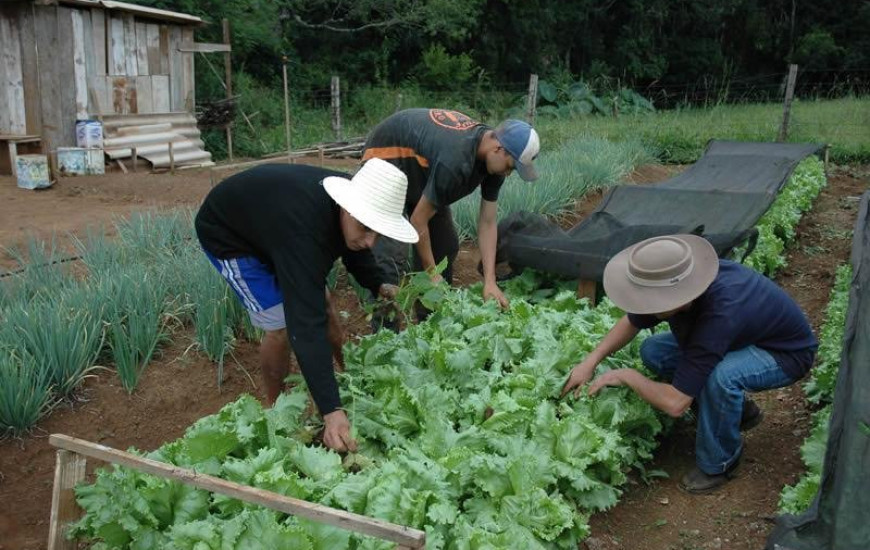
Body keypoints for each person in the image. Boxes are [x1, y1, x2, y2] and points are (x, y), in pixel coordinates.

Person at [561, 234, 818, 493]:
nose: (644, 306)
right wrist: (590, 361)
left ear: (680, 298)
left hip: (784, 354)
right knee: (653, 350)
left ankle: (721, 463)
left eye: (651, 301)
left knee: (722, 377)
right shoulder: (683, 283)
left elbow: (675, 404)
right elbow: (631, 321)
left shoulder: (720, 312)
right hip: (742, 337)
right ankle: (738, 413)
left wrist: (628, 376)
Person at [194, 159, 418, 452]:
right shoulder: (306, 235)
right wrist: (331, 411)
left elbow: (357, 247)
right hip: (231, 236)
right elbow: (306, 327)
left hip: (274, 224)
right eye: (366, 228)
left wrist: (377, 283)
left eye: (378, 232)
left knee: (323, 303)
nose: (370, 242)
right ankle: (277, 410)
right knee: (281, 325)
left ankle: (349, 378)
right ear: (347, 209)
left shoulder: (352, 207)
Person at [362, 108, 540, 310]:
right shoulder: (455, 160)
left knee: (444, 247)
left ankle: (429, 324)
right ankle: (385, 335)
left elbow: (488, 222)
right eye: (510, 167)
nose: (508, 174)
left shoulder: (493, 161)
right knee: (390, 260)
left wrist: (490, 281)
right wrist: (431, 274)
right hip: (385, 159)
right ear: (499, 149)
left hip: (422, 169)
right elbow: (418, 221)